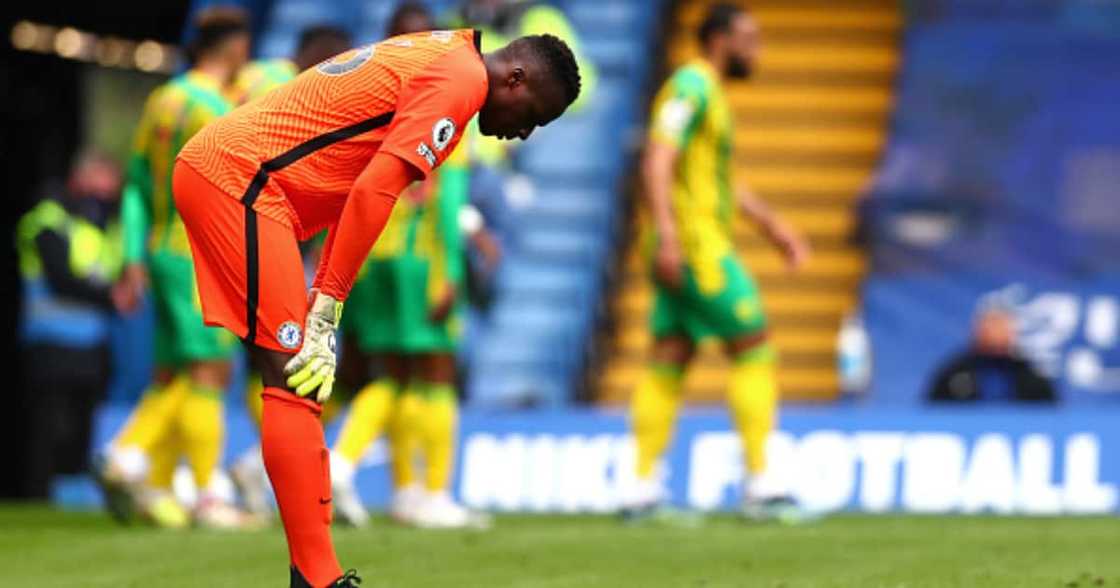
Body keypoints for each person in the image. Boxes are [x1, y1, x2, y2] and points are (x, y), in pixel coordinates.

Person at [173, 28, 580, 587]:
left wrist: (325, 294)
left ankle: (313, 574)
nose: (523, 132)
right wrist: (328, 306)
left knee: (297, 382)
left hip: (250, 185)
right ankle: (316, 578)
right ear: (516, 78)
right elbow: (374, 192)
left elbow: (358, 182)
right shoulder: (460, 82)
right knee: (294, 378)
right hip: (242, 182)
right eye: (532, 114)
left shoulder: (446, 53)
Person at [622, 3, 812, 523]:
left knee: (671, 356)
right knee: (754, 345)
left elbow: (723, 181)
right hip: (694, 248)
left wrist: (774, 228)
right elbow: (657, 158)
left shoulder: (707, 93)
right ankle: (762, 486)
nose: (757, 48)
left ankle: (640, 490)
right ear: (720, 39)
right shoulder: (691, 86)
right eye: (749, 37)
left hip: (684, 243)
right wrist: (667, 236)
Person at [328, 3, 488, 531]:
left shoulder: (371, 98)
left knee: (393, 375)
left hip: (374, 253)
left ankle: (403, 492)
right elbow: (446, 197)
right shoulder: (446, 97)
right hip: (422, 259)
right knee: (436, 375)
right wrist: (451, 274)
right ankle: (431, 491)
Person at [94, 6, 255, 530]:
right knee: (211, 371)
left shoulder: (163, 101)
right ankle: (161, 471)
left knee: (172, 372)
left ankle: (160, 487)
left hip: (162, 248)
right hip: (201, 254)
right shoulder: (217, 110)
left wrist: (133, 255)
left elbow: (137, 184)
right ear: (233, 49)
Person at [225, 24, 354, 518]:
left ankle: (257, 466)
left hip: (239, 217)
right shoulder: (288, 85)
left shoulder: (253, 78)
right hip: (260, 223)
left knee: (272, 358)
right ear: (322, 60)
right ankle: (263, 471)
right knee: (286, 359)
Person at [16, 152, 130, 499]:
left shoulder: (102, 225)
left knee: (84, 422)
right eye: (101, 181)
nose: (106, 192)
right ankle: (39, 492)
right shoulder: (47, 219)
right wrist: (111, 297)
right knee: (49, 424)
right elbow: (60, 278)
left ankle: (74, 491)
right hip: (51, 340)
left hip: (91, 342)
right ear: (80, 178)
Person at [928, 305, 1057, 403]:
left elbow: (1051, 415)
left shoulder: (1030, 375)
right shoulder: (954, 373)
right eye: (990, 326)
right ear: (977, 331)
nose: (995, 333)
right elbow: (932, 412)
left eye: (1001, 326)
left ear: (1012, 332)